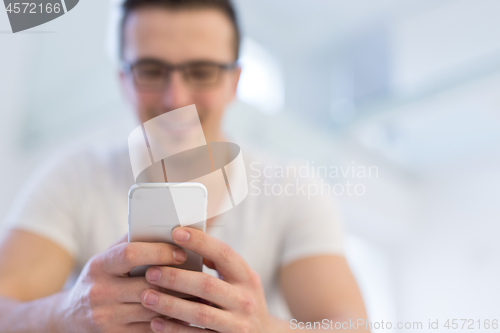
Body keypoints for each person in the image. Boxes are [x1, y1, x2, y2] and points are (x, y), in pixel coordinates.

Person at [0, 0, 369, 331]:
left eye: (201, 70)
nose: (175, 97)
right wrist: (65, 313)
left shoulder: (291, 187)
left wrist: (262, 328)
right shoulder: (74, 177)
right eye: (150, 69)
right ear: (123, 80)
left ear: (234, 81)